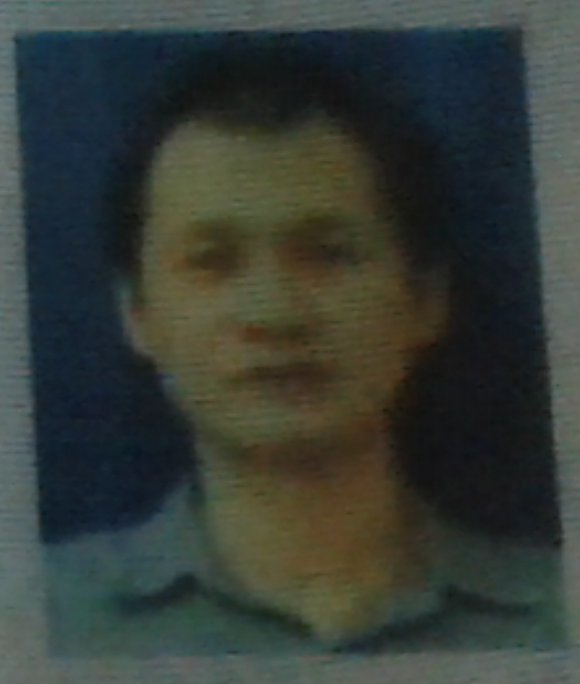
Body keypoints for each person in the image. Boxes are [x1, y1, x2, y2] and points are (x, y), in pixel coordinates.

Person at [44, 38, 565, 656]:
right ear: (137, 314)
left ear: (425, 300)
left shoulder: (555, 612)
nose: (273, 313)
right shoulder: (45, 614)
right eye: (212, 261)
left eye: (328, 255)